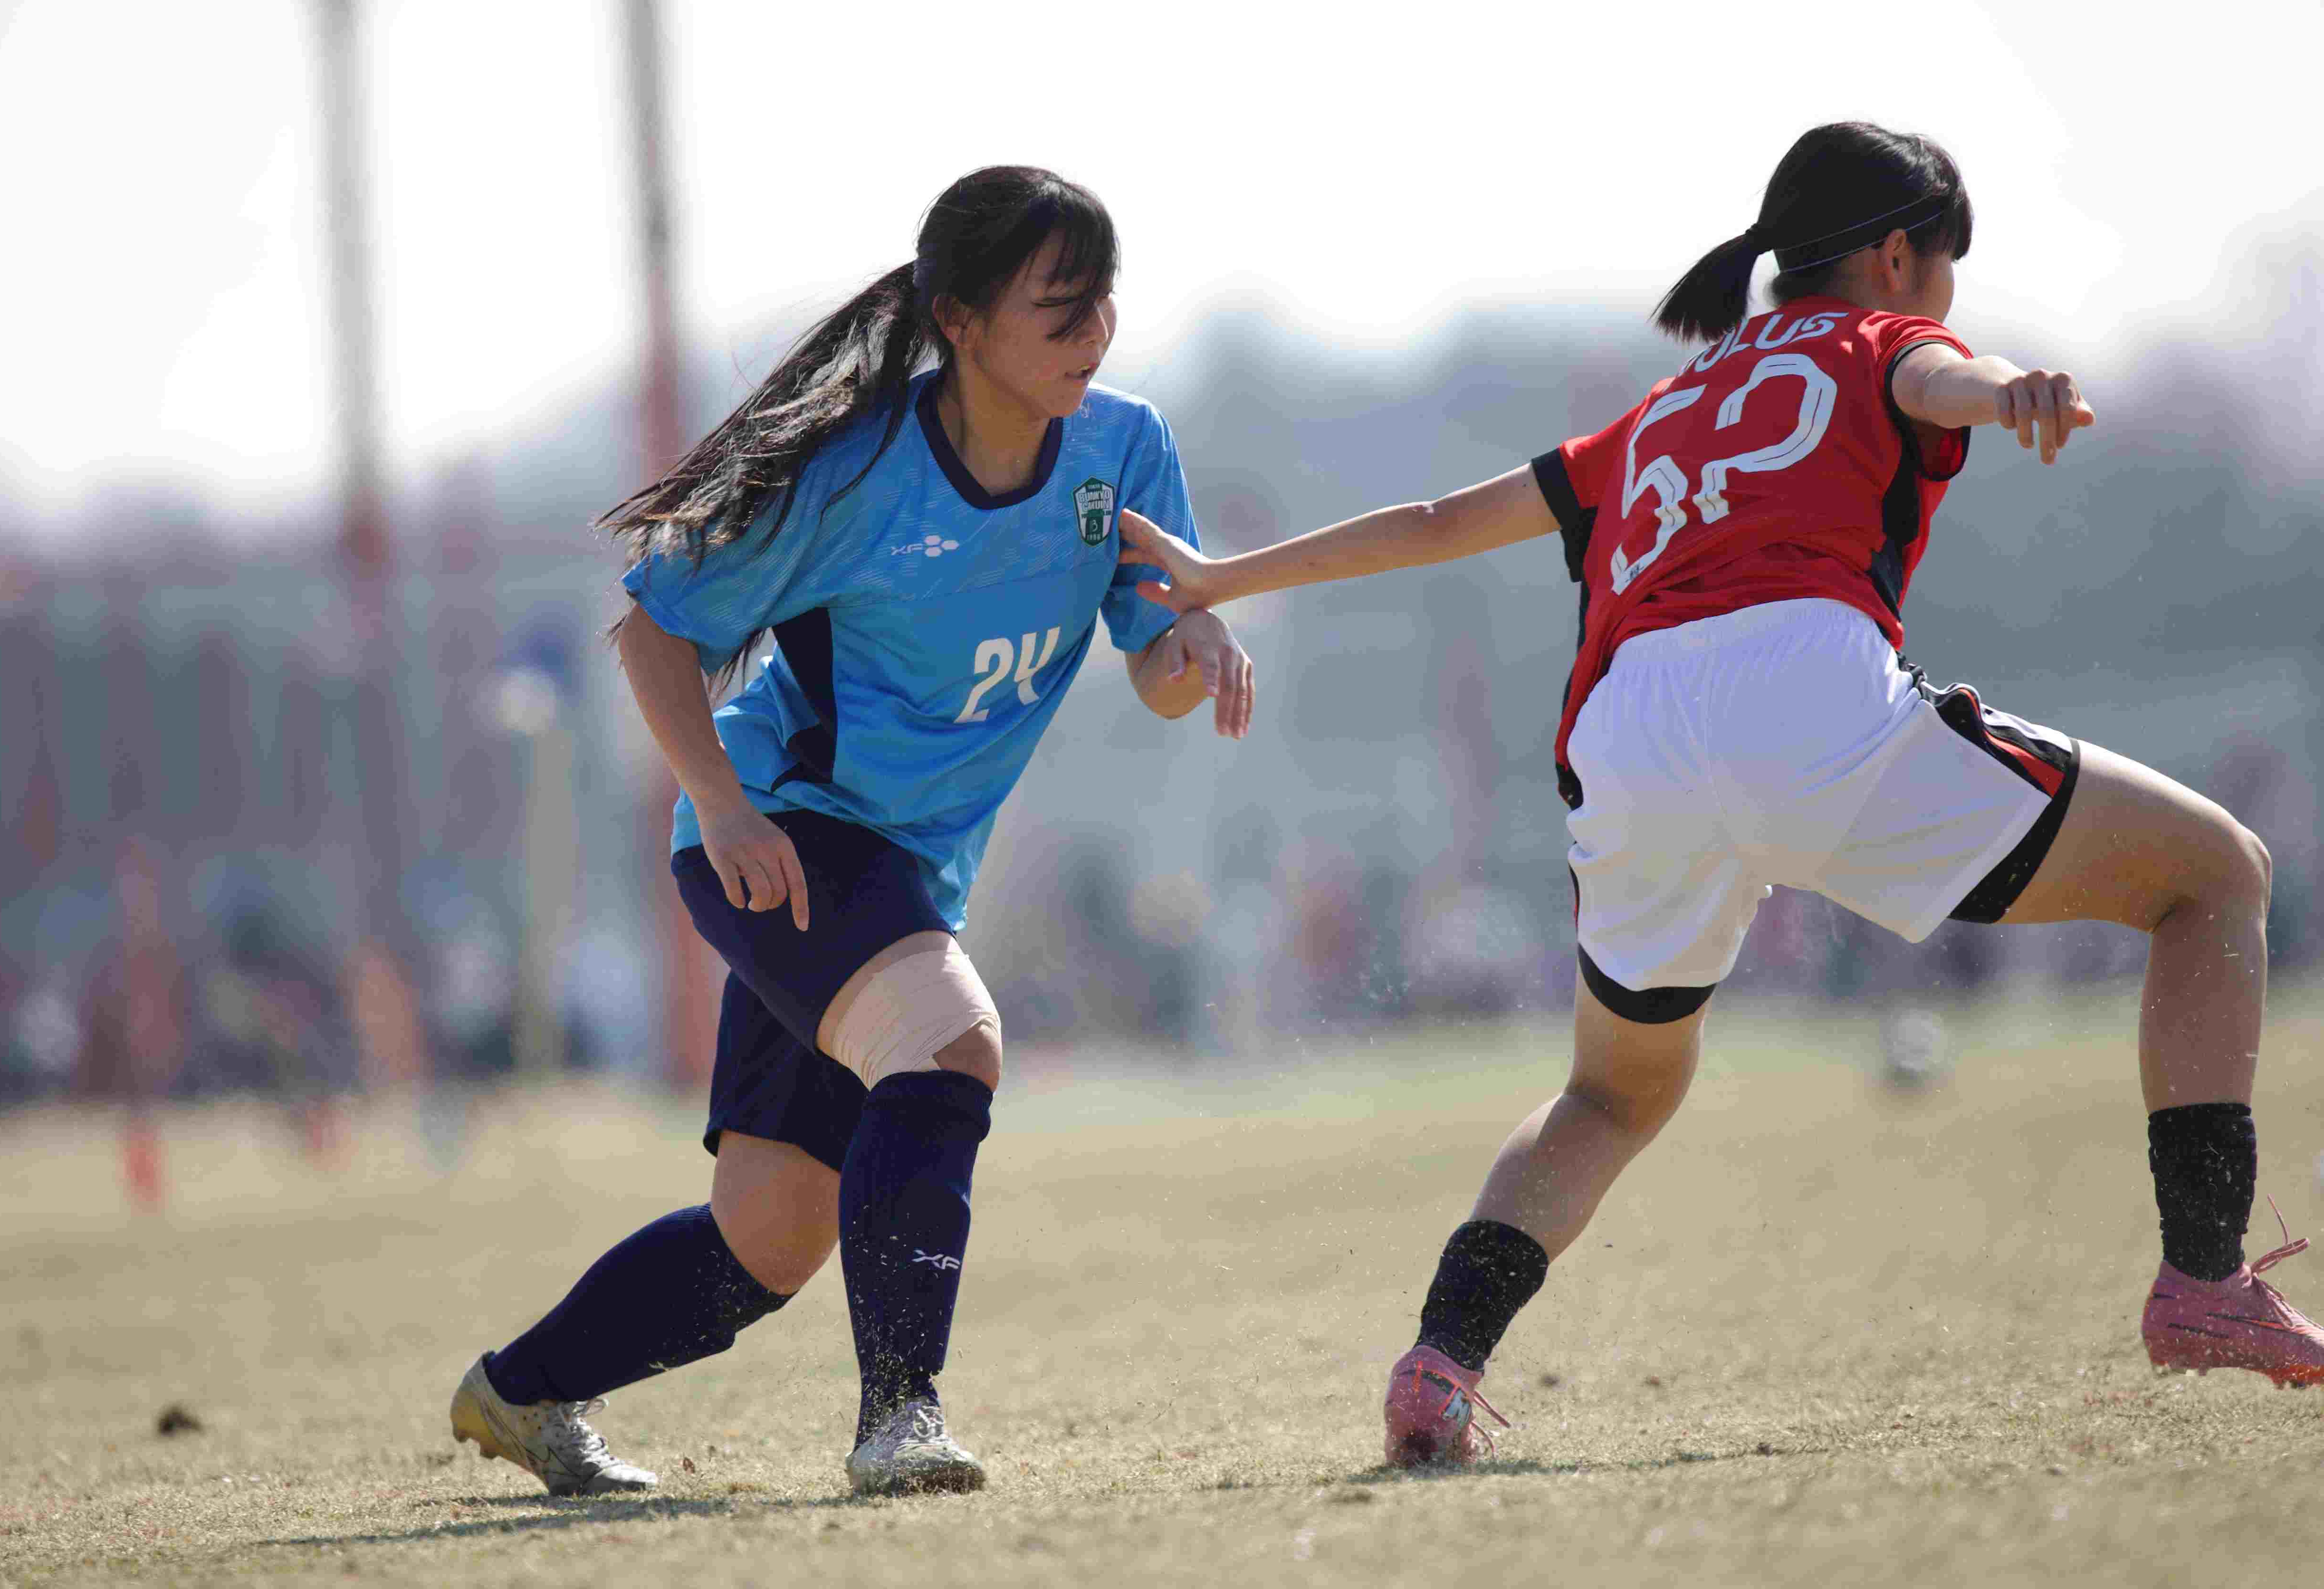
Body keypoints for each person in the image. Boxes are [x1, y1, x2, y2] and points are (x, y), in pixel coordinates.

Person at [1113, 121, 2316, 1466]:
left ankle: (1441, 1363)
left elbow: (1442, 524)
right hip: (1801, 694)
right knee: (2217, 877)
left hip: (1626, 738)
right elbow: (1936, 378)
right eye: (1944, 266)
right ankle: (2205, 1278)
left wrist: (1225, 577)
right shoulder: (1878, 337)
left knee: (1612, 1095)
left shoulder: (1666, 408)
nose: (1944, 295)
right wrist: (2010, 391)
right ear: (1896, 256)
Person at [449, 166, 1254, 1497]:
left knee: (761, 1248)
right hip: (784, 833)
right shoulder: (859, 475)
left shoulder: (1122, 450)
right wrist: (721, 806)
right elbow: (651, 634)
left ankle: (520, 1392)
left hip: (904, 874)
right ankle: (901, 1422)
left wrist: (1198, 645)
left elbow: (1155, 665)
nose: (1094, 334)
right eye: (1059, 309)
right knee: (951, 1044)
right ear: (961, 321)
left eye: (1103, 302)